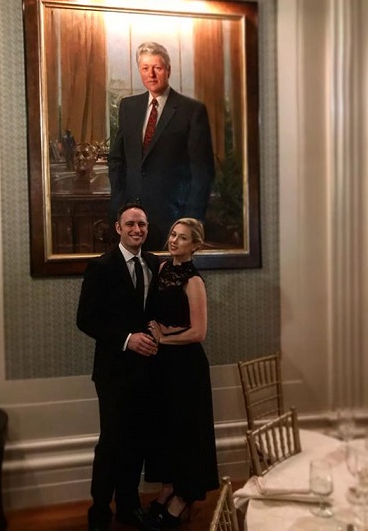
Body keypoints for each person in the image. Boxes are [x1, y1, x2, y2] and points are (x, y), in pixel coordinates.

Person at [76, 203, 160, 531]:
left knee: (137, 439)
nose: (137, 229)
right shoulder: (102, 267)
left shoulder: (154, 262)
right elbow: (85, 320)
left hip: (148, 369)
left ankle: (128, 505)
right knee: (111, 440)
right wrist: (127, 339)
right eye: (130, 224)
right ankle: (99, 510)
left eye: (142, 224)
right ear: (118, 228)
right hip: (113, 370)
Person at [144, 218, 219, 529]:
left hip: (187, 367)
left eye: (182, 238)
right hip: (163, 366)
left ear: (195, 246)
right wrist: (152, 327)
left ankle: (184, 497)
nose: (173, 240)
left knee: (188, 431)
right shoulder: (162, 269)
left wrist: (165, 339)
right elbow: (154, 313)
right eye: (173, 234)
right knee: (166, 428)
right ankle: (169, 487)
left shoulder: (194, 281)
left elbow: (199, 332)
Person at [108, 42, 215, 251]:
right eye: (145, 68)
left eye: (157, 68)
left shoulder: (191, 110)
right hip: (131, 220)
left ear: (168, 69)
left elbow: (202, 172)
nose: (151, 74)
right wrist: (120, 206)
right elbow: (117, 160)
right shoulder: (128, 107)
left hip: (173, 221)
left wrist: (189, 222)